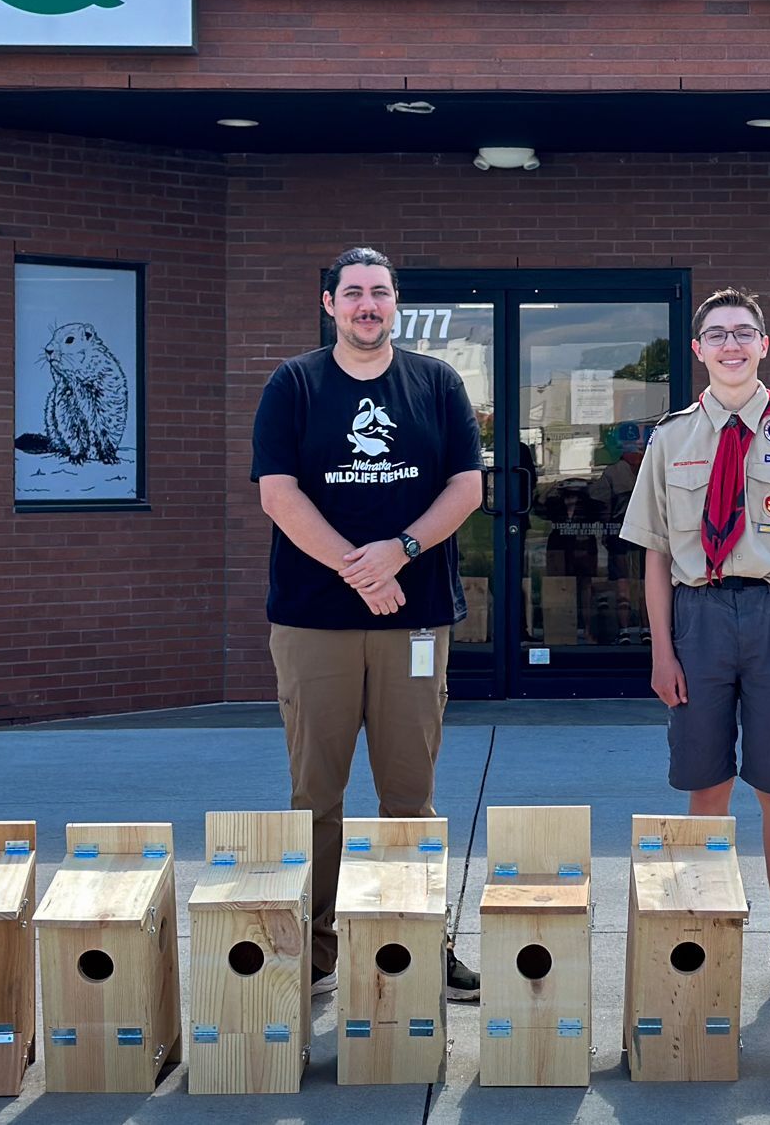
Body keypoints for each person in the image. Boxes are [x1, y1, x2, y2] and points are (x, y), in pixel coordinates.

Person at [251, 247, 485, 1001]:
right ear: (328, 304)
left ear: (396, 304)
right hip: (314, 621)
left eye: (379, 293)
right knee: (314, 795)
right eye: (352, 293)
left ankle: (414, 940)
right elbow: (279, 496)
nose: (366, 305)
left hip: (414, 626)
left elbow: (468, 487)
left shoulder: (437, 382)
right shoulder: (293, 385)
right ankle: (314, 951)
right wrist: (362, 569)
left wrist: (403, 551)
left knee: (409, 795)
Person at [619, 287, 770, 1001]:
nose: (730, 344)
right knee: (706, 783)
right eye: (717, 334)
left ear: (763, 345)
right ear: (697, 350)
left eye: (743, 333)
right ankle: (705, 932)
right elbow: (656, 555)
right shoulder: (670, 438)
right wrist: (662, 650)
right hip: (699, 620)